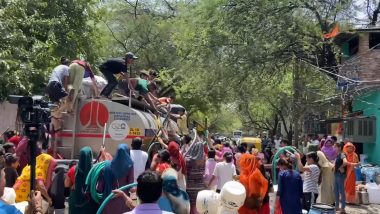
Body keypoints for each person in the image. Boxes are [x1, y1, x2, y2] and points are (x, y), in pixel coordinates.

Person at [99, 144, 134, 213]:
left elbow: (99, 188)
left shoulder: (106, 166)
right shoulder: (129, 166)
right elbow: (131, 187)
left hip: (107, 201)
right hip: (123, 201)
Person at [67, 147, 98, 214]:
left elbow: (66, 184)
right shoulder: (95, 170)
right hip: (90, 202)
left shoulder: (74, 169)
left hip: (75, 202)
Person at [185, 138, 206, 214]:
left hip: (190, 185)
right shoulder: (203, 159)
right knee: (197, 205)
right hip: (200, 185)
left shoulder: (188, 160)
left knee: (190, 205)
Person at [333, 141, 352, 213]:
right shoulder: (338, 155)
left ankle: (343, 208)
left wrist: (341, 167)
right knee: (336, 190)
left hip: (340, 175)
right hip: (337, 174)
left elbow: (345, 162)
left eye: (335, 147)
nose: (334, 148)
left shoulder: (342, 154)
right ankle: (337, 206)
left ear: (339, 148)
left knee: (341, 191)